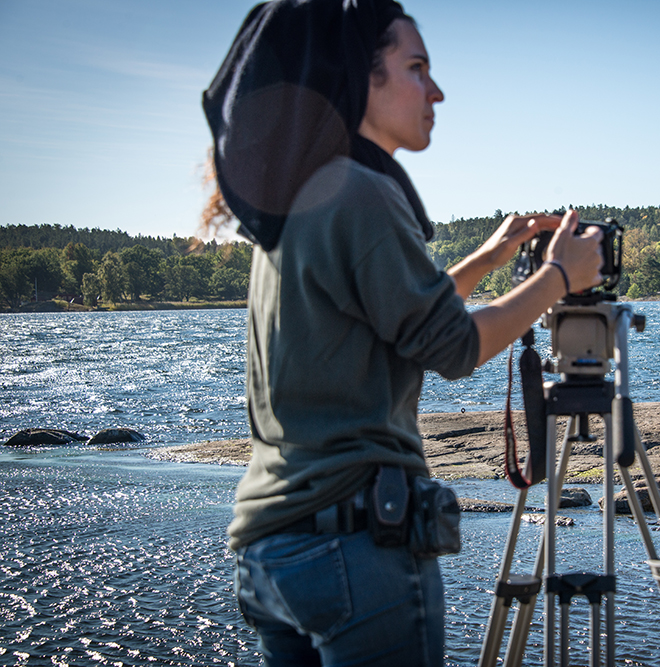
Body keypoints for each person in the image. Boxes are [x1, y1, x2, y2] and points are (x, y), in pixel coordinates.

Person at [201, 1, 604, 665]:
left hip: (270, 548)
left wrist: (489, 258)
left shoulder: (301, 194)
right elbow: (454, 345)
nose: (437, 91)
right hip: (353, 544)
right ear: (361, 79)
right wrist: (560, 275)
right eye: (417, 68)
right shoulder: (359, 191)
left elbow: (402, 319)